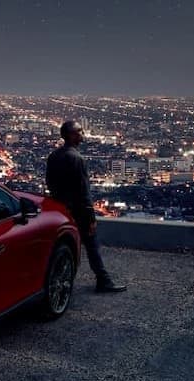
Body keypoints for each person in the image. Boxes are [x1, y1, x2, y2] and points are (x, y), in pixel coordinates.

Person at [46, 120, 126, 293]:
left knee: (62, 246)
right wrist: (90, 217)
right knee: (92, 246)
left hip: (59, 208)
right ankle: (103, 280)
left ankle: (58, 279)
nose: (83, 134)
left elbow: (50, 184)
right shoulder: (77, 159)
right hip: (78, 211)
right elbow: (84, 191)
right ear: (71, 135)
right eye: (79, 131)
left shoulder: (54, 156)